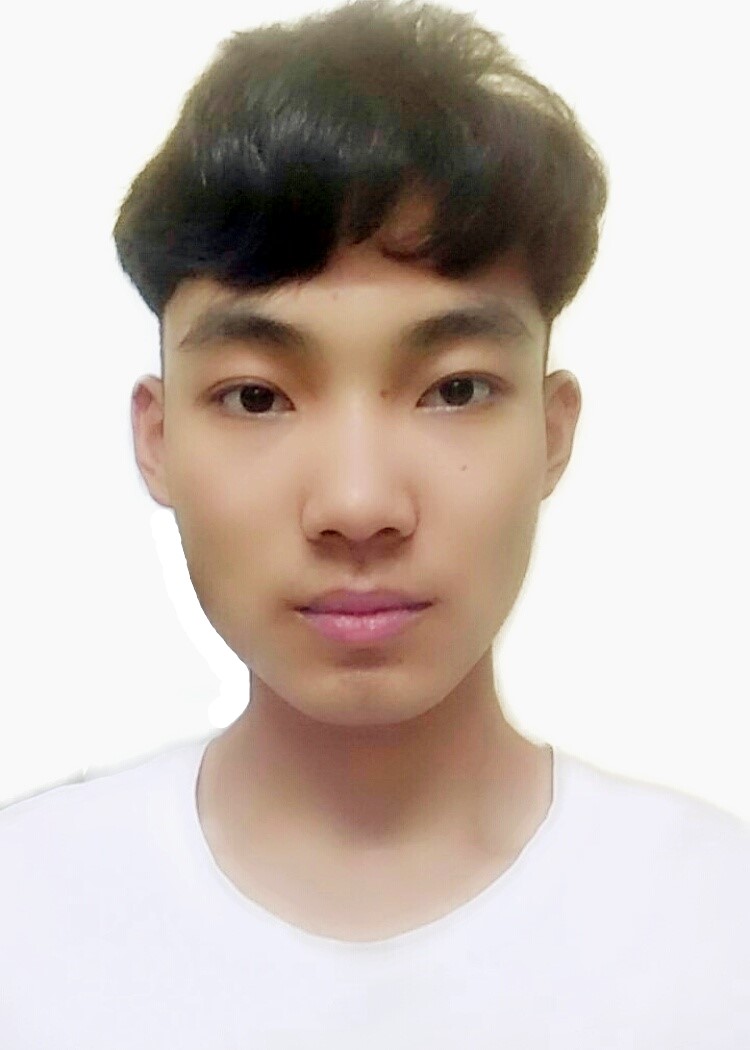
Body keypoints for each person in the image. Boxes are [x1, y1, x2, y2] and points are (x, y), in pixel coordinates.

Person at [1, 1, 747, 1046]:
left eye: (455, 389)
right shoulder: (26, 921)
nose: (358, 506)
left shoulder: (717, 931)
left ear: (553, 433)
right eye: (257, 396)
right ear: (157, 440)